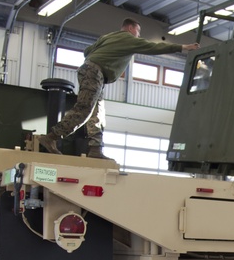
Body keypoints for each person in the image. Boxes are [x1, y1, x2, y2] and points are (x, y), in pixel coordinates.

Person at [38, 18, 199, 158]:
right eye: (138, 31)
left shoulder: (108, 37)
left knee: (98, 114)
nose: (138, 35)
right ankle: (52, 137)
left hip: (93, 72)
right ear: (130, 28)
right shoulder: (129, 39)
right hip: (95, 72)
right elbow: (154, 47)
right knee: (85, 109)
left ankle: (95, 149)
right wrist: (184, 47)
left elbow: (87, 51)